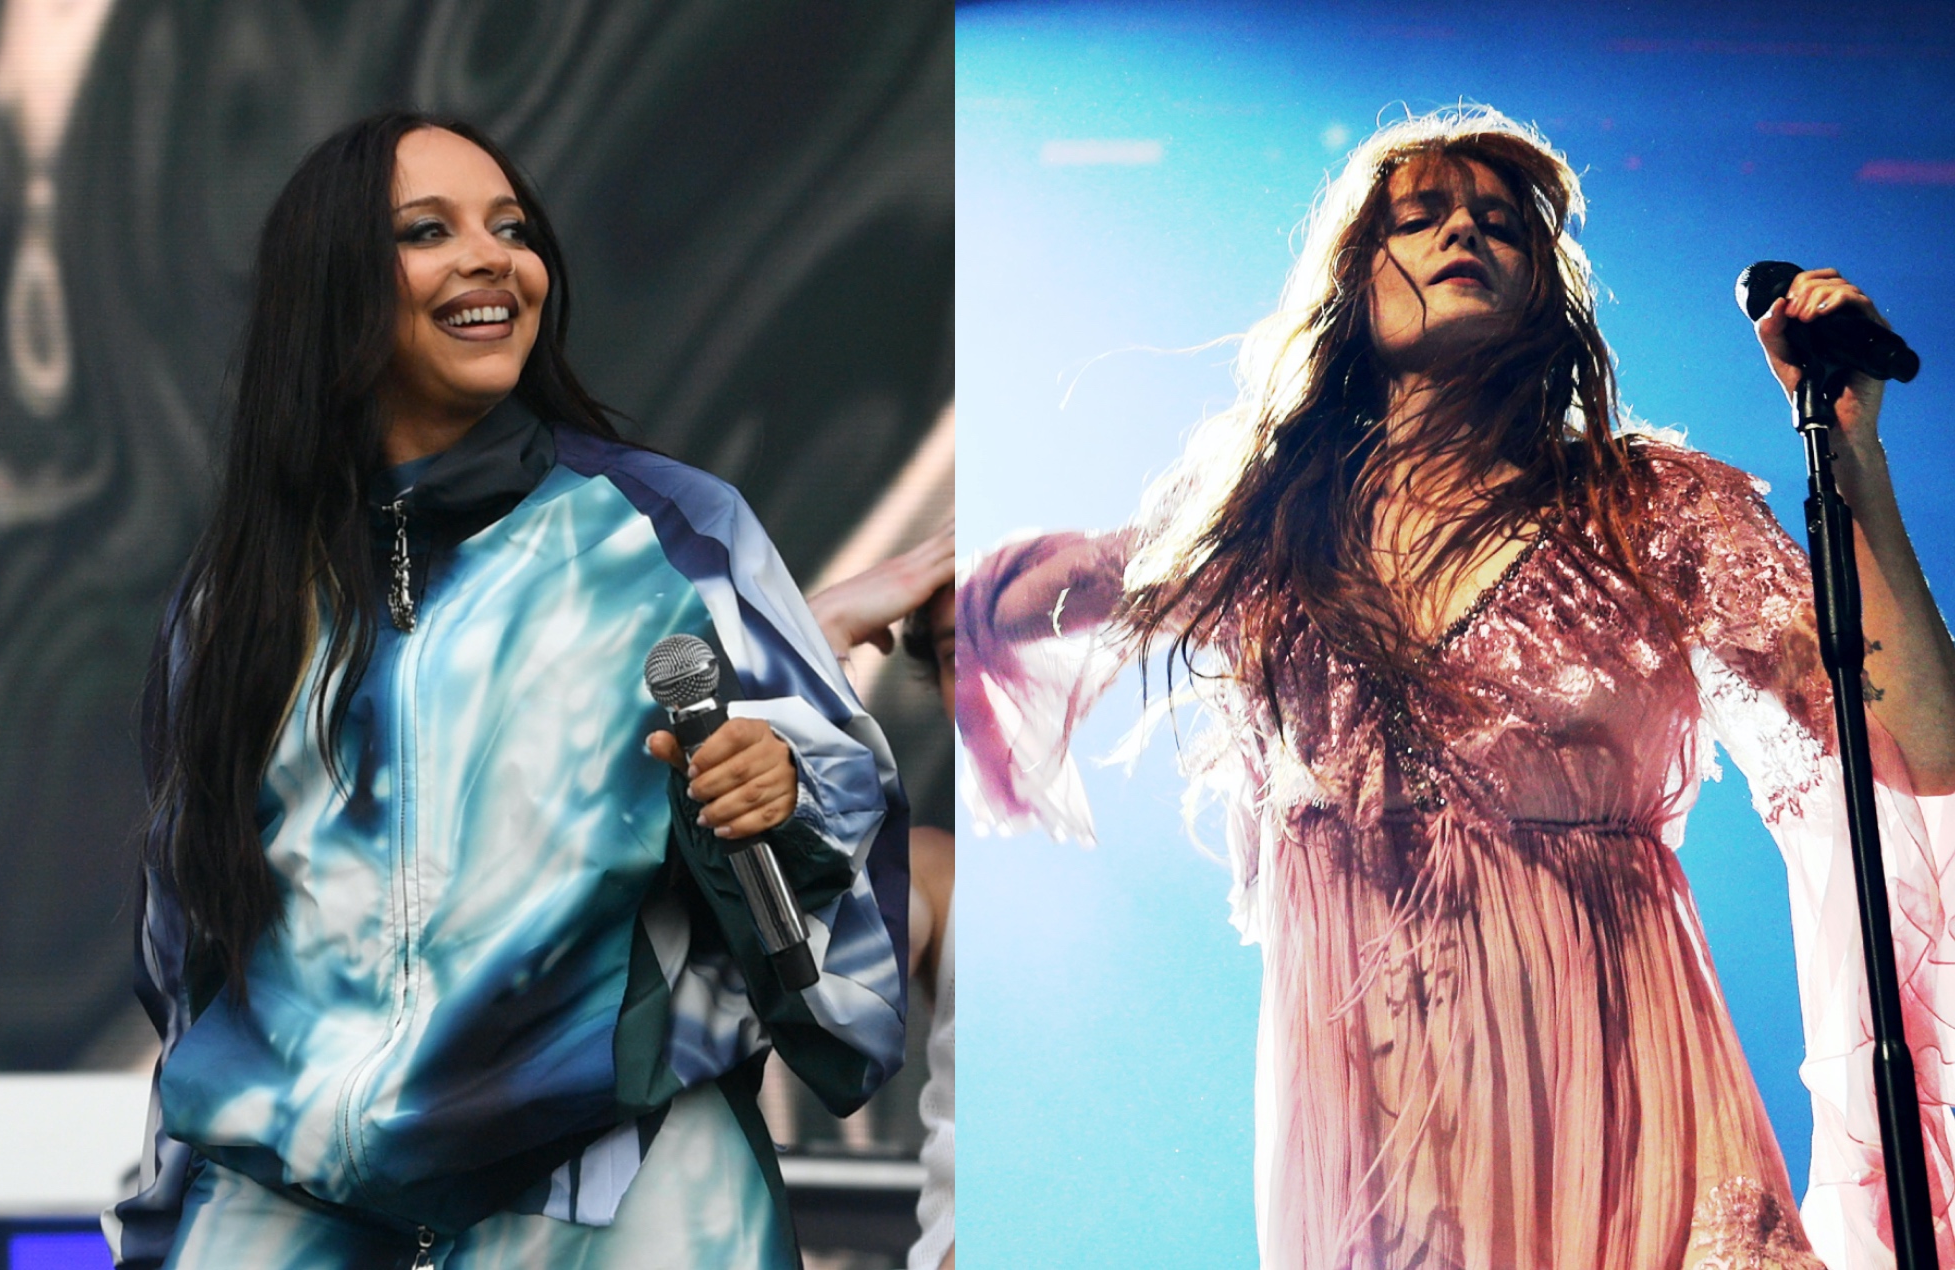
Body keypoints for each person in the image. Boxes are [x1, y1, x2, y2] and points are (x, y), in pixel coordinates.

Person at [959, 105, 1955, 1268]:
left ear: (1546, 291)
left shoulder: (1653, 510)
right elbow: (1019, 596)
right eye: (1417, 217)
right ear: (1349, 287)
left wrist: (1853, 454)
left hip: (1639, 1121)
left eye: (1497, 223)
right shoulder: (1264, 537)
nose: (1461, 234)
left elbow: (1922, 744)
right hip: (1387, 1161)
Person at [102, 111, 909, 1269]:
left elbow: (844, 914)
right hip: (293, 1218)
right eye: (427, 231)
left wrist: (781, 796)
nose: (490, 257)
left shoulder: (672, 533)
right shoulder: (237, 595)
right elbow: (194, 947)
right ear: (329, 285)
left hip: (616, 1208)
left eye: (511, 228)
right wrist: (161, 1225)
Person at [808, 526, 956, 1270]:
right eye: (963, 652)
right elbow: (831, 1008)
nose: (995, 677)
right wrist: (816, 635)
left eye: (1019, 636)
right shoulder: (937, 872)